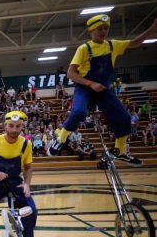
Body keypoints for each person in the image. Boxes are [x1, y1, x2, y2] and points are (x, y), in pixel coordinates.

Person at [47, 15, 157, 165]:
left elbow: (136, 42)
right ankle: (60, 139)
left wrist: (152, 29)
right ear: (91, 31)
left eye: (106, 28)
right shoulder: (84, 49)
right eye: (100, 28)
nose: (104, 31)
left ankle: (120, 151)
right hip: (84, 87)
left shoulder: (113, 45)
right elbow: (71, 73)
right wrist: (91, 84)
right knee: (79, 112)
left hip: (103, 88)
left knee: (124, 117)